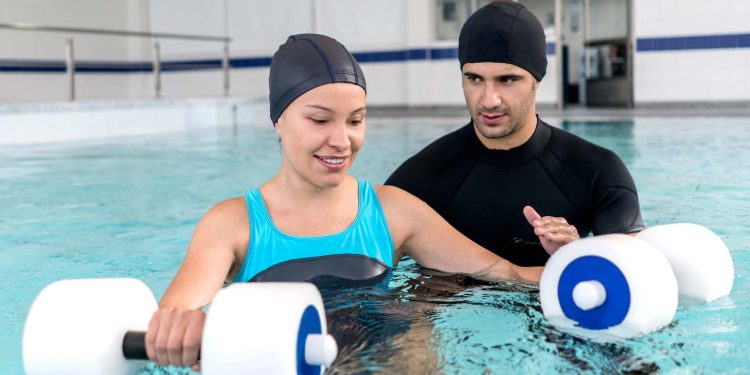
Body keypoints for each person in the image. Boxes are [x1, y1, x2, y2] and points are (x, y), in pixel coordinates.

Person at [144, 33, 578, 369]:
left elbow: (504, 273)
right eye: (319, 120)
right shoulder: (233, 223)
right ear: (278, 120)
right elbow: (177, 311)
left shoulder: (392, 211)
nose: (341, 141)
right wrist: (182, 327)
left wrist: (575, 262)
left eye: (355, 121)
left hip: (388, 360)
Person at [386, 1, 644, 267]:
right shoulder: (421, 177)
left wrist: (576, 255)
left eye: (507, 80)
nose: (489, 100)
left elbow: (635, 278)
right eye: (474, 79)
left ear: (537, 79)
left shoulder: (599, 172)